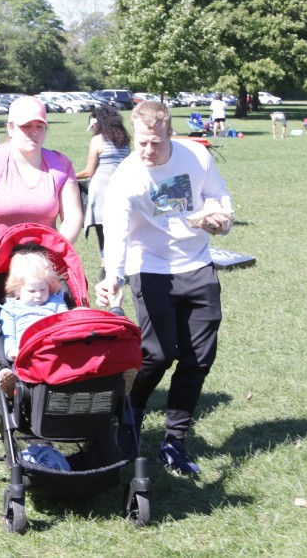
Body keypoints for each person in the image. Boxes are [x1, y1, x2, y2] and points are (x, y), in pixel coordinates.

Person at [95, 99, 233, 476]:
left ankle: (175, 441)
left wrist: (220, 222)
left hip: (198, 265)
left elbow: (220, 200)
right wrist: (113, 277)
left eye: (155, 142)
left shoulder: (196, 157)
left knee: (198, 359)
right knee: (156, 354)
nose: (147, 150)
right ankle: (132, 412)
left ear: (170, 132)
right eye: (141, 142)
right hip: (150, 268)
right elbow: (117, 232)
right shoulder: (127, 175)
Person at [0, 96, 83, 416]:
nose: (33, 132)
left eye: (40, 126)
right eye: (26, 126)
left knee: (44, 322)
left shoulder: (59, 164)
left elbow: (74, 217)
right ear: (10, 128)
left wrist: (56, 251)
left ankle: (41, 384)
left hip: (37, 266)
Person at [0, 249, 69, 395]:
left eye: (43, 289)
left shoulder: (55, 301)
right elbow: (8, 333)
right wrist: (11, 351)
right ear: (17, 290)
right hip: (26, 352)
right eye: (31, 291)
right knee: (21, 366)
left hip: (56, 346)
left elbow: (65, 320)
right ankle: (11, 385)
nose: (38, 295)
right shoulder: (11, 308)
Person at [76, 106, 131, 291]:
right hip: (122, 186)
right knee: (120, 228)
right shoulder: (123, 139)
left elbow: (89, 171)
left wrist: (70, 175)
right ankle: (121, 265)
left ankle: (106, 268)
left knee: (102, 229)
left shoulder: (98, 140)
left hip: (102, 188)